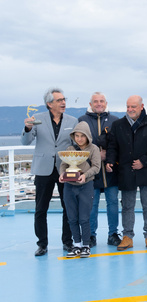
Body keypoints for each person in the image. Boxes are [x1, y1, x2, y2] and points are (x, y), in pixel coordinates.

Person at [22, 87, 77, 256]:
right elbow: (26, 142)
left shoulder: (72, 120)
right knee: (40, 209)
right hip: (43, 169)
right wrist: (28, 129)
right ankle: (42, 244)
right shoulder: (37, 119)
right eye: (59, 100)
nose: (63, 103)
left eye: (64, 99)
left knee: (68, 207)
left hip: (64, 168)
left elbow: (77, 143)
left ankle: (68, 242)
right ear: (49, 104)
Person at [106, 95, 147, 251]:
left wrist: (143, 161)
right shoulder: (118, 125)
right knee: (127, 206)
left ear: (141, 106)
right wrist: (110, 161)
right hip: (126, 171)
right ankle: (127, 237)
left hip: (146, 170)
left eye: (133, 107)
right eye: (128, 107)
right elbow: (113, 146)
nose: (130, 109)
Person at [78, 92, 121, 247]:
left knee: (113, 202)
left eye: (101, 101)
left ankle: (113, 234)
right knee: (91, 204)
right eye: (95, 101)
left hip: (111, 170)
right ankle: (90, 235)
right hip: (90, 171)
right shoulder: (82, 121)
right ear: (90, 104)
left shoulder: (115, 121)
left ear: (106, 102)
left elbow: (118, 145)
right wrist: (97, 156)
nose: (98, 104)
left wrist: (108, 156)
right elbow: (79, 144)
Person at [60, 122, 101, 258]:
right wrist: (62, 174)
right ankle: (76, 244)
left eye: (82, 136)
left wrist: (84, 175)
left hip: (86, 186)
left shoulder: (93, 149)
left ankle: (86, 245)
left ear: (87, 136)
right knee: (72, 218)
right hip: (69, 187)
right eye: (77, 136)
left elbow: (96, 167)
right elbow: (63, 164)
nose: (79, 139)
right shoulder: (70, 148)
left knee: (84, 217)